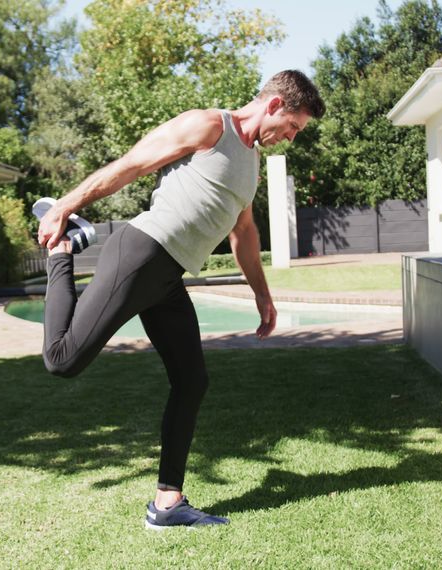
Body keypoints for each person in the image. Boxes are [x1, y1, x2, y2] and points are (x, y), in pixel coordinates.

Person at [35, 70, 325, 530]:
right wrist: (63, 207)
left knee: (192, 381)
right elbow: (133, 163)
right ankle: (63, 250)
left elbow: (244, 232)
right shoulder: (209, 125)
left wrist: (263, 295)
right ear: (273, 105)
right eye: (292, 126)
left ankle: (167, 504)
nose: (289, 137)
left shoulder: (249, 162)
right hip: (142, 252)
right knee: (62, 360)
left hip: (168, 276)